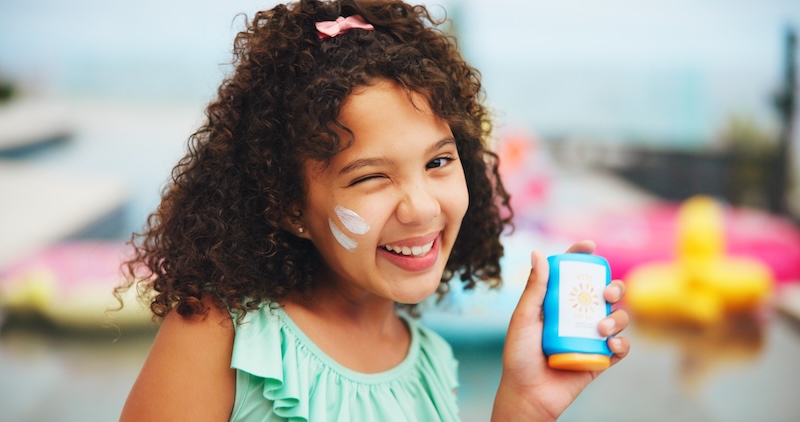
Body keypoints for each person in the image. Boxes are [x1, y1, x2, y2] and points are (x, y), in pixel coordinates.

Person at [117, 0, 630, 420]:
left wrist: (525, 405)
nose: (421, 206)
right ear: (287, 204)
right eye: (371, 177)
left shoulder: (430, 364)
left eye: (438, 162)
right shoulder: (219, 335)